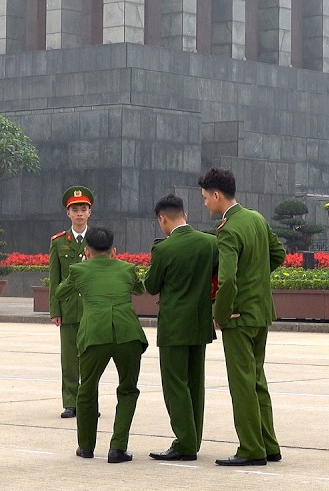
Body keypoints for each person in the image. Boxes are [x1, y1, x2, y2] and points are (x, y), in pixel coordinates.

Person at [199, 167, 286, 467]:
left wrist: (220, 315)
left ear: (217, 195)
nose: (205, 203)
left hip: (239, 317)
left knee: (242, 384)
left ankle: (250, 448)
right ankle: (269, 444)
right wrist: (257, 280)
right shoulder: (257, 219)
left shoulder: (228, 230)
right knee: (258, 380)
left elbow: (227, 281)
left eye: (205, 197)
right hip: (261, 312)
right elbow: (278, 255)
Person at [53, 226, 148, 463]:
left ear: (87, 250)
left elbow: (60, 293)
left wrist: (83, 269)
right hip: (128, 335)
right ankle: (117, 448)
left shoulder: (79, 270)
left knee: (87, 390)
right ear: (113, 250)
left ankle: (86, 447)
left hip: (95, 335)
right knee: (127, 390)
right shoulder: (127, 268)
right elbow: (139, 288)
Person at [144, 194, 219, 462]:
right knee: (195, 383)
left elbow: (151, 286)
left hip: (174, 326)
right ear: (184, 215)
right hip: (200, 323)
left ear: (163, 219)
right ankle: (193, 438)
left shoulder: (163, 249)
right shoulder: (210, 242)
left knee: (175, 384)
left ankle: (184, 443)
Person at [49, 185, 94, 418]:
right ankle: (70, 402)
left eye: (83, 208)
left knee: (89, 358)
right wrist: (54, 310)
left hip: (90, 309)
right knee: (69, 358)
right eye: (74, 209)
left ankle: (88, 403)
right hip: (67, 310)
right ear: (68, 213)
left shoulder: (97, 240)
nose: (79, 213)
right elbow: (54, 279)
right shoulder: (59, 242)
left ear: (90, 212)